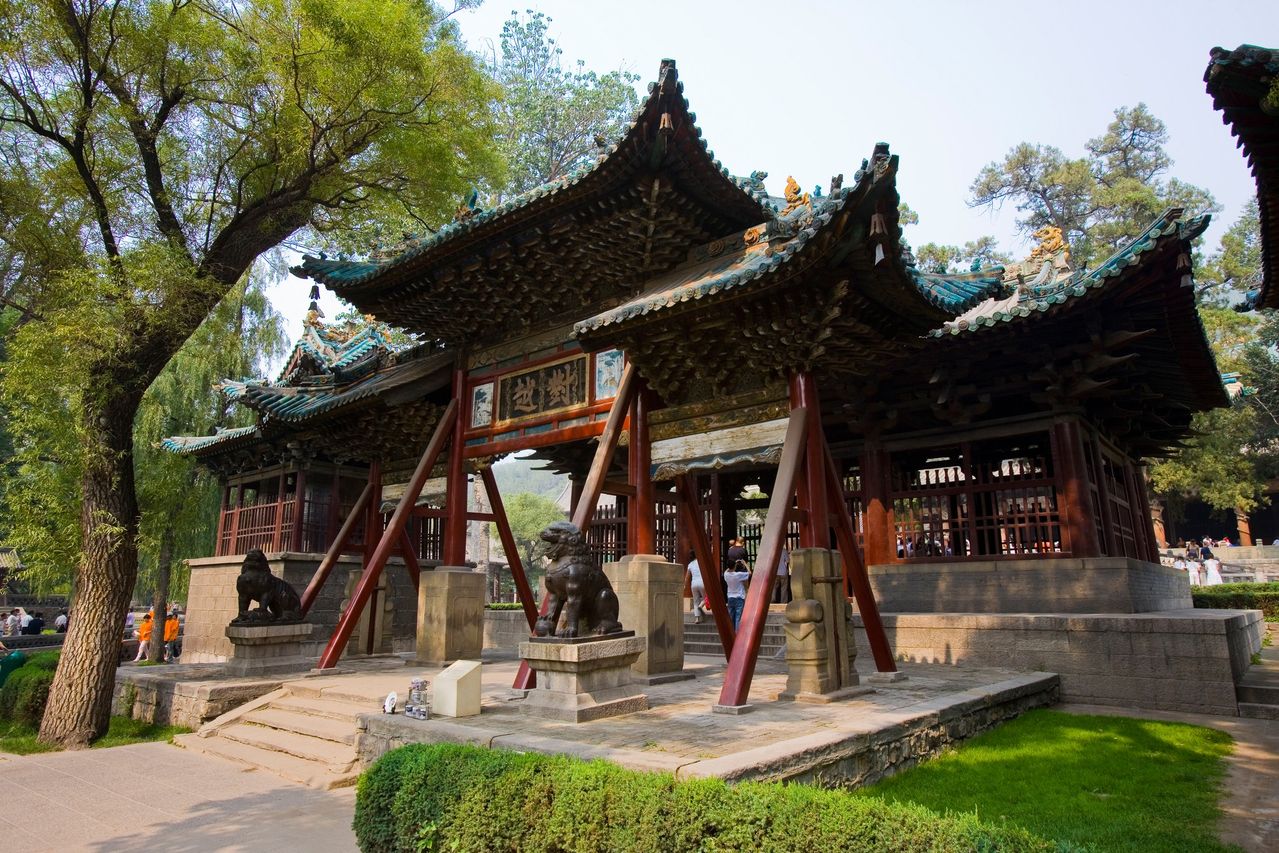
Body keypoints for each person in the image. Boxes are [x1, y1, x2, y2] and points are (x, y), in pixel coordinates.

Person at [723, 561, 751, 632]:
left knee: (730, 616)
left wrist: (733, 563)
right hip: (739, 597)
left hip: (730, 597)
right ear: (735, 566)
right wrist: (745, 564)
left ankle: (730, 632)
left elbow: (726, 571)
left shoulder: (726, 575)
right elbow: (749, 573)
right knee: (738, 617)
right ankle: (737, 634)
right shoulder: (738, 575)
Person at [686, 551, 707, 623]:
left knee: (695, 601)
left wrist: (685, 585)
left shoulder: (690, 564)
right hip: (702, 582)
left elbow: (687, 577)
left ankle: (697, 619)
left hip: (694, 584)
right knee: (706, 598)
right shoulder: (701, 562)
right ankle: (701, 605)